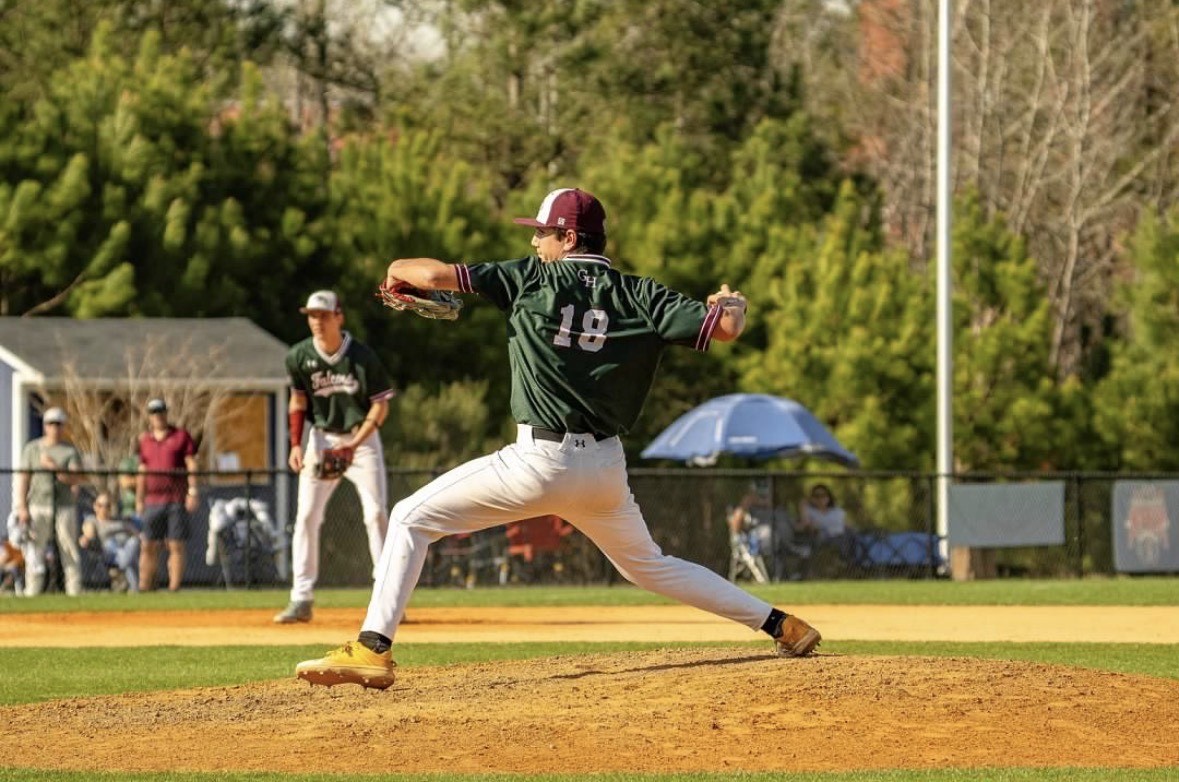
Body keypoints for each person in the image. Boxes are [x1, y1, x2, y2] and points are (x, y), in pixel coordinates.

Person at [296, 187, 821, 689]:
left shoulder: (528, 279)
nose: (534, 242)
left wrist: (394, 272)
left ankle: (372, 648)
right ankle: (780, 625)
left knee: (410, 517)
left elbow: (429, 273)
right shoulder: (643, 294)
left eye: (543, 232)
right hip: (605, 471)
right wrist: (734, 303)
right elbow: (725, 328)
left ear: (569, 238)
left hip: (539, 460)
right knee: (651, 567)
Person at [274, 290, 395, 624]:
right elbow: (298, 402)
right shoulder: (299, 356)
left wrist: (354, 444)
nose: (317, 321)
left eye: (323, 315)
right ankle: (301, 598)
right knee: (307, 517)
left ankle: (388, 596)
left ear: (339, 317)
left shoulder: (360, 356)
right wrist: (296, 444)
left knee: (375, 514)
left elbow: (380, 406)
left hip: (363, 441)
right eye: (312, 315)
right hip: (322, 439)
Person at [13, 406, 85, 596]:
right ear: (45, 426)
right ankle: (32, 593)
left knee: (69, 549)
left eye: (58, 424)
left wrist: (54, 468)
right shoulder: (32, 449)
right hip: (38, 504)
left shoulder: (69, 451)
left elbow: (76, 478)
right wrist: (22, 506)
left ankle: (74, 593)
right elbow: (24, 478)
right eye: (51, 423)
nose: (54, 428)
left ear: (63, 427)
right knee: (35, 550)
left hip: (64, 505)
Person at [136, 398, 199, 592]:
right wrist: (139, 499)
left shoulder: (180, 436)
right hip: (152, 500)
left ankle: (174, 588)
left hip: (175, 499)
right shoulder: (144, 440)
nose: (158, 416)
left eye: (161, 412)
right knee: (148, 545)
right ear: (149, 416)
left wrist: (192, 491)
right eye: (154, 413)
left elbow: (191, 463)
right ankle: (145, 587)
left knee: (175, 545)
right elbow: (142, 471)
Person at [79, 491, 141, 593]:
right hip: (109, 552)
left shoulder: (118, 520)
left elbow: (136, 533)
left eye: (107, 505)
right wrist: (86, 538)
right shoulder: (92, 520)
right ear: (95, 506)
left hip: (126, 548)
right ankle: (134, 587)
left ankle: (131, 584)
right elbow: (89, 533)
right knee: (112, 543)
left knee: (134, 542)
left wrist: (140, 537)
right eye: (100, 505)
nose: (103, 508)